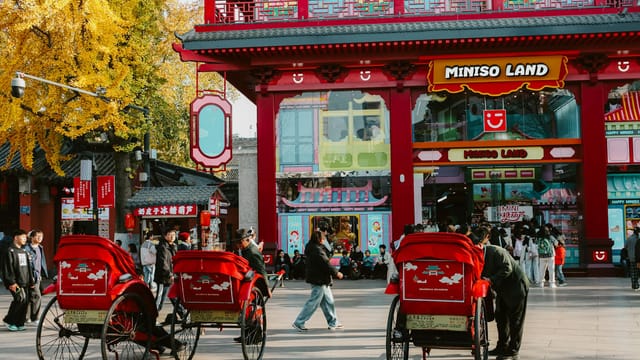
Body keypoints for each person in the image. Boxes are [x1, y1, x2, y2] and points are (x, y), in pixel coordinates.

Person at [475, 227, 529, 360]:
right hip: (502, 288)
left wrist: (491, 280)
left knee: (515, 319)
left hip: (516, 286)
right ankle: (502, 346)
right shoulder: (478, 256)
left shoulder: (496, 251)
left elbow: (507, 268)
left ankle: (513, 349)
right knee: (500, 317)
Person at [292, 230, 344, 332]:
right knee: (313, 302)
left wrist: (329, 248)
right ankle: (299, 322)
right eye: (323, 238)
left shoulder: (313, 247)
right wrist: (336, 273)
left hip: (321, 279)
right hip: (319, 279)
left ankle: (333, 322)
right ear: (319, 239)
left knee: (328, 301)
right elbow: (326, 263)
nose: (324, 240)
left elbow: (327, 256)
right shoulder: (317, 250)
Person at [1, 229, 34, 331]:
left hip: (25, 281)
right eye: (23, 237)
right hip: (14, 282)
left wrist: (31, 281)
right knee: (19, 299)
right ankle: (9, 321)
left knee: (25, 301)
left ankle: (19, 323)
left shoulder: (24, 251)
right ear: (16, 237)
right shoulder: (9, 251)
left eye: (25, 237)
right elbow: (7, 268)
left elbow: (29, 268)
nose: (25, 239)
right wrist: (11, 282)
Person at [23, 229, 48, 325]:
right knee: (36, 296)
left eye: (41, 236)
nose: (40, 238)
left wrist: (42, 274)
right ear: (32, 237)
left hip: (37, 275)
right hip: (29, 275)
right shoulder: (26, 249)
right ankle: (35, 318)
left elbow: (41, 262)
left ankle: (27, 318)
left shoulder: (40, 248)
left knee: (32, 296)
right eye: (37, 236)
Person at [154, 227, 178, 311]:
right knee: (160, 298)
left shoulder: (173, 246)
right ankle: (153, 316)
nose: (172, 236)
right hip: (163, 278)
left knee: (174, 296)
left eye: (174, 235)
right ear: (165, 236)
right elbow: (162, 262)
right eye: (170, 235)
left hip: (170, 276)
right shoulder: (162, 247)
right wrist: (169, 274)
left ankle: (182, 314)